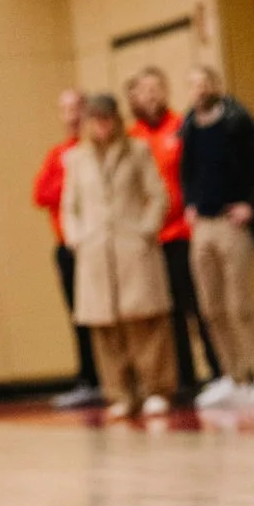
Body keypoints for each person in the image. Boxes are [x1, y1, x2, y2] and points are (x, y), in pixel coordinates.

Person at [62, 94, 174, 420]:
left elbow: (158, 195)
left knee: (144, 323)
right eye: (95, 119)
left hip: (132, 247)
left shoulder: (137, 151)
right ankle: (120, 393)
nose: (101, 126)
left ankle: (156, 389)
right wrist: (77, 238)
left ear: (116, 119)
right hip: (95, 252)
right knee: (105, 327)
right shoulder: (76, 159)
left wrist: (145, 230)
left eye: (106, 118)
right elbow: (70, 205)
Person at [179, 66, 254, 407]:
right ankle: (233, 374)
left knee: (241, 302)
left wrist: (251, 205)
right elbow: (187, 172)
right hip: (203, 224)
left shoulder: (238, 122)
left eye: (204, 84)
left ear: (217, 86)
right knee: (210, 306)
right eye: (193, 85)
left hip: (232, 223)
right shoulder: (189, 126)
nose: (199, 91)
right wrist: (190, 202)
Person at [127, 66, 218, 400]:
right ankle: (183, 380)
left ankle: (220, 371)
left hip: (184, 232)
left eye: (156, 89)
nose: (151, 96)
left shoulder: (182, 127)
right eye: (144, 91)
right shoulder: (131, 138)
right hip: (152, 240)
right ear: (135, 97)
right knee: (170, 313)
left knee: (200, 305)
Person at [32, 89, 102, 408]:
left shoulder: (96, 150)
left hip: (98, 244)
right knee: (80, 316)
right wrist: (70, 181)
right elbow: (41, 194)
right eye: (66, 109)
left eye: (77, 108)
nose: (72, 115)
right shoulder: (58, 154)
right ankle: (88, 379)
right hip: (68, 246)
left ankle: (115, 378)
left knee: (107, 315)